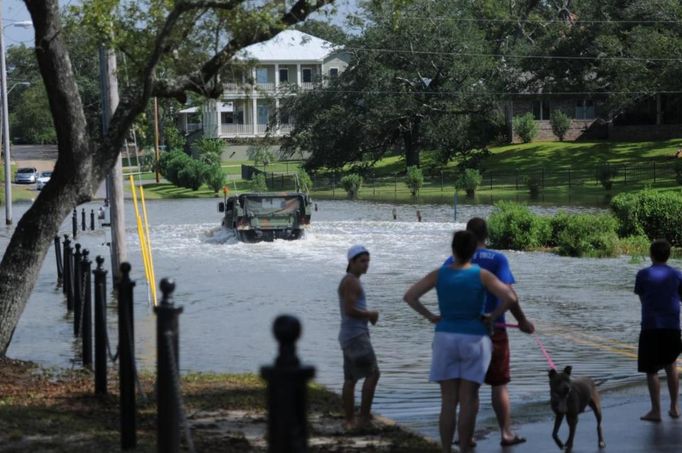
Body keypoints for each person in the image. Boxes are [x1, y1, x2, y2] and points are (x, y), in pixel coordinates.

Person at [404, 230, 517, 453]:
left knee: (448, 402)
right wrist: (492, 317)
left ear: (453, 250)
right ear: (473, 250)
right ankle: (465, 447)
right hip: (475, 338)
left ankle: (446, 449)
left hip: (445, 337)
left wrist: (430, 316)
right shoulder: (482, 275)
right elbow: (510, 297)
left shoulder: (439, 274)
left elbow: (409, 297)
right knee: (468, 400)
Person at [443, 218, 534, 447]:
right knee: (499, 384)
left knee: (469, 389)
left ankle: (467, 436)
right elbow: (509, 294)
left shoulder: (451, 261)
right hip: (495, 330)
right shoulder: (498, 259)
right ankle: (505, 433)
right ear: (487, 235)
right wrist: (522, 321)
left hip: (463, 333)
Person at [635, 239, 682, 422]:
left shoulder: (643, 274)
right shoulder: (678, 275)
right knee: (671, 366)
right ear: (668, 255)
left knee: (651, 370)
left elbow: (642, 298)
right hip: (672, 327)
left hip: (651, 326)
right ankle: (675, 407)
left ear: (651, 254)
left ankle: (656, 411)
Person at [338, 245, 380, 429]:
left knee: (351, 379)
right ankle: (363, 418)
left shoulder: (350, 280)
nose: (366, 265)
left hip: (349, 335)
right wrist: (369, 314)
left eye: (368, 261)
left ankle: (349, 420)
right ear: (351, 262)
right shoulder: (352, 282)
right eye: (362, 261)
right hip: (356, 336)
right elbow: (349, 309)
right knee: (373, 374)